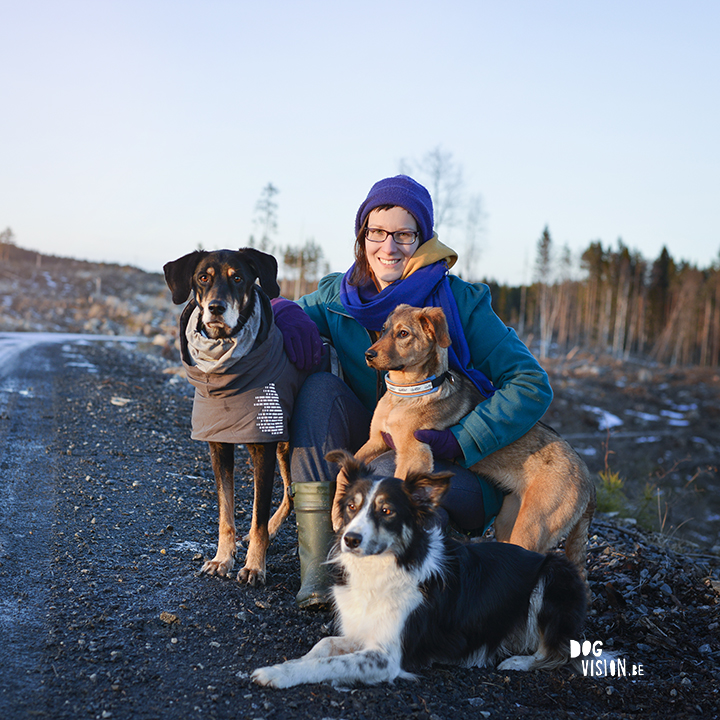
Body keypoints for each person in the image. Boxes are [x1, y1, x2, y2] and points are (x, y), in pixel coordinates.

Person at [272, 175, 553, 608]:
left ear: (422, 239)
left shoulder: (459, 303)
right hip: (375, 447)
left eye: (404, 234)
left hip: (459, 467)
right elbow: (262, 317)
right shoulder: (336, 296)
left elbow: (532, 385)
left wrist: (463, 439)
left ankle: (417, 599)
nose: (389, 246)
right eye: (377, 232)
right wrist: (284, 311)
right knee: (320, 391)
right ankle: (320, 574)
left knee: (400, 474)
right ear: (362, 236)